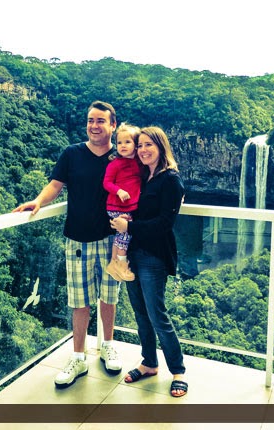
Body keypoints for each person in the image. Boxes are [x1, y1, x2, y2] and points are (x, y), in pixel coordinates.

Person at [13, 101, 122, 388]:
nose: (94, 125)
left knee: (109, 295)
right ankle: (78, 357)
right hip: (77, 239)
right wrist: (37, 200)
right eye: (90, 120)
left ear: (113, 125)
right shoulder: (72, 154)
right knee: (79, 300)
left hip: (112, 239)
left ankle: (107, 345)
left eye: (101, 121)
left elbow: (144, 178)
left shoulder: (121, 156)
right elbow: (55, 184)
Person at [110, 126, 188, 398]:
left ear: (161, 146)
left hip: (153, 256)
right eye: (139, 145)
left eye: (148, 145)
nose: (142, 150)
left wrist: (127, 228)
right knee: (140, 313)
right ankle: (149, 363)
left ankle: (178, 371)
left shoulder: (171, 180)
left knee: (157, 314)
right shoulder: (143, 175)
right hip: (132, 253)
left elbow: (165, 223)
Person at [103, 123, 142, 282]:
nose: (123, 146)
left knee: (121, 234)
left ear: (135, 145)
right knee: (125, 232)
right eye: (119, 143)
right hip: (116, 206)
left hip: (128, 206)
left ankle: (114, 262)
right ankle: (122, 265)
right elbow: (106, 183)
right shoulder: (115, 164)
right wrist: (119, 191)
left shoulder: (139, 163)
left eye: (127, 142)